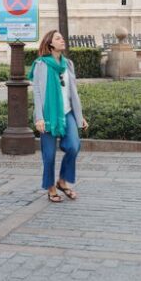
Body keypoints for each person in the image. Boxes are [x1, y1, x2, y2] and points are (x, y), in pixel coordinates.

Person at [30, 30, 88, 203]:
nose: (62, 40)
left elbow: (73, 92)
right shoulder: (41, 64)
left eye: (62, 38)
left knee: (73, 146)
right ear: (50, 44)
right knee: (48, 155)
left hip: (67, 112)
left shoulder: (68, 64)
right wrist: (39, 118)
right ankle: (51, 188)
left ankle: (62, 181)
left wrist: (80, 116)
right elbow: (38, 92)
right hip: (48, 115)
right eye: (58, 38)